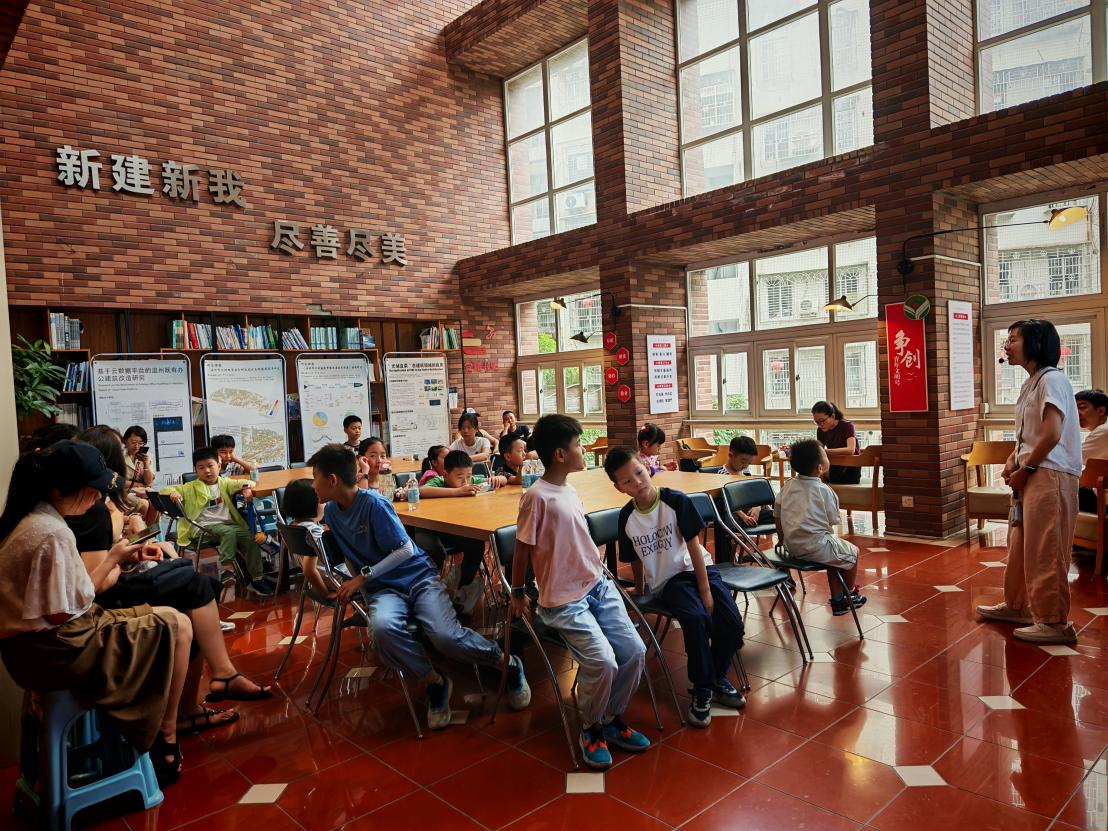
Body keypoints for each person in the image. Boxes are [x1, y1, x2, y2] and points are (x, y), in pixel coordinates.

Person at [0, 440, 192, 786]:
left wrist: (122, 557)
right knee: (177, 625)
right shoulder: (52, 533)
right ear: (59, 490)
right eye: (91, 490)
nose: (97, 497)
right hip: (59, 649)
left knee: (172, 620)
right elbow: (63, 612)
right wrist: (115, 559)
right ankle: (164, 735)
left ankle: (161, 733)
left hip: (32, 650)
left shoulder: (30, 519)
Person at [308, 444, 530, 729]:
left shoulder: (374, 504)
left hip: (418, 578)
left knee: (444, 636)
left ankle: (505, 662)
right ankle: (435, 681)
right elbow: (351, 555)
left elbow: (405, 550)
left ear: (332, 480)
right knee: (383, 631)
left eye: (315, 477)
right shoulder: (332, 513)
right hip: (383, 589)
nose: (312, 485)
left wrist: (362, 578)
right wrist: (365, 589)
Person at [72, 427, 271, 734]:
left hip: (113, 586)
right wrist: (122, 556)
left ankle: (203, 693)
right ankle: (212, 684)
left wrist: (132, 545)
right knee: (195, 586)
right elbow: (96, 583)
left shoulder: (99, 505)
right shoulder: (94, 512)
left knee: (193, 583)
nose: (128, 456)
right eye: (122, 450)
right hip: (105, 603)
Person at [510, 415, 650, 770]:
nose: (583, 449)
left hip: (597, 586)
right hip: (564, 601)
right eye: (577, 445)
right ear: (559, 454)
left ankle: (612, 718)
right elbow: (522, 549)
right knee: (603, 661)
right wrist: (518, 591)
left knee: (634, 652)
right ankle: (591, 727)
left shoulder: (570, 490)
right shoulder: (535, 497)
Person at [604, 447, 745, 727]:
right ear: (619, 487)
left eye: (639, 473)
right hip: (669, 582)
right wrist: (640, 588)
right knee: (695, 620)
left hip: (701, 570)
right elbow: (634, 559)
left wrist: (705, 590)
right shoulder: (626, 517)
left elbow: (694, 547)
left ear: (648, 468)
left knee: (731, 623)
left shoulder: (676, 500)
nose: (637, 482)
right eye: (627, 481)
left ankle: (717, 677)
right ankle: (702, 689)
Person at [977, 319, 1082, 645]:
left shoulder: (1052, 379)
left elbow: (1052, 434)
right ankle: (1018, 606)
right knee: (1022, 545)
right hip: (1032, 474)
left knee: (1045, 549)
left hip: (1049, 475)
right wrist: (1013, 460)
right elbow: (1030, 434)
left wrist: (1028, 468)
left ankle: (1054, 622)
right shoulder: (1032, 383)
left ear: (1036, 344)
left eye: (1014, 339)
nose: (1007, 346)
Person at [161, 448, 273, 595]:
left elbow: (247, 481)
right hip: (201, 529)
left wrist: (246, 488)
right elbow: (164, 490)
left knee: (249, 536)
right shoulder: (190, 487)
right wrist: (173, 492)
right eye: (201, 468)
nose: (207, 471)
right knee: (229, 532)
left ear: (219, 467)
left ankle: (257, 579)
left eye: (210, 466)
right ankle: (227, 569)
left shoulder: (224, 483)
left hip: (226, 526)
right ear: (196, 470)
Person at [774, 439, 865, 616]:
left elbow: (777, 515)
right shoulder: (824, 490)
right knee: (853, 553)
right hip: (815, 546)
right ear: (820, 468)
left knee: (835, 558)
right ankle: (849, 594)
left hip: (791, 546)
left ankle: (838, 600)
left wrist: (782, 539)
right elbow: (832, 519)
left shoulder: (787, 486)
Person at [419, 450, 505, 614]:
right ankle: (433, 593)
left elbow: (503, 480)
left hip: (461, 529)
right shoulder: (438, 481)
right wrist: (456, 492)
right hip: (437, 529)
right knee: (435, 551)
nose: (465, 482)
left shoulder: (471, 480)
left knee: (476, 545)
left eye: (469, 476)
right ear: (445, 474)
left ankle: (462, 589)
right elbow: (422, 491)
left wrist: (497, 479)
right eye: (459, 478)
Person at [282, 478, 345, 598]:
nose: (325, 503)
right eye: (322, 499)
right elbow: (309, 570)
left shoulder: (294, 526)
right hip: (339, 580)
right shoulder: (313, 533)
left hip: (327, 577)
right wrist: (325, 594)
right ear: (312, 504)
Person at [811, 401, 861, 484]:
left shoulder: (847, 426)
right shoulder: (820, 430)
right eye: (817, 422)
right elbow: (819, 451)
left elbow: (850, 450)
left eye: (822, 421)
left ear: (833, 416)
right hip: (834, 467)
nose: (820, 425)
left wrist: (824, 451)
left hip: (850, 469)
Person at [1076, 389, 1108, 513]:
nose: (1076, 413)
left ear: (1101, 411)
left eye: (1082, 407)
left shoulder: (1103, 431)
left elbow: (1071, 460)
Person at [121, 425, 158, 524]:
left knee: (157, 503)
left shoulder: (147, 456)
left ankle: (149, 531)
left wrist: (145, 464)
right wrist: (139, 485)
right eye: (133, 442)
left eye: (141, 443)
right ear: (125, 441)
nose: (137, 446)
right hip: (125, 492)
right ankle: (140, 530)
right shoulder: (119, 457)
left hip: (143, 492)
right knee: (144, 504)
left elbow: (149, 482)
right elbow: (118, 481)